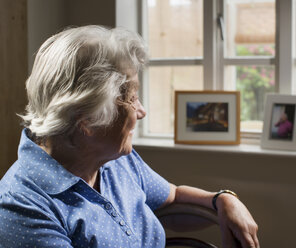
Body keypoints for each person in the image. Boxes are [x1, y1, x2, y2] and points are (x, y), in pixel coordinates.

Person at [0, 25, 259, 248]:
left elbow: (174, 199)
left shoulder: (115, 161)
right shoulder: (23, 208)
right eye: (132, 98)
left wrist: (223, 199)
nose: (141, 111)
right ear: (88, 120)